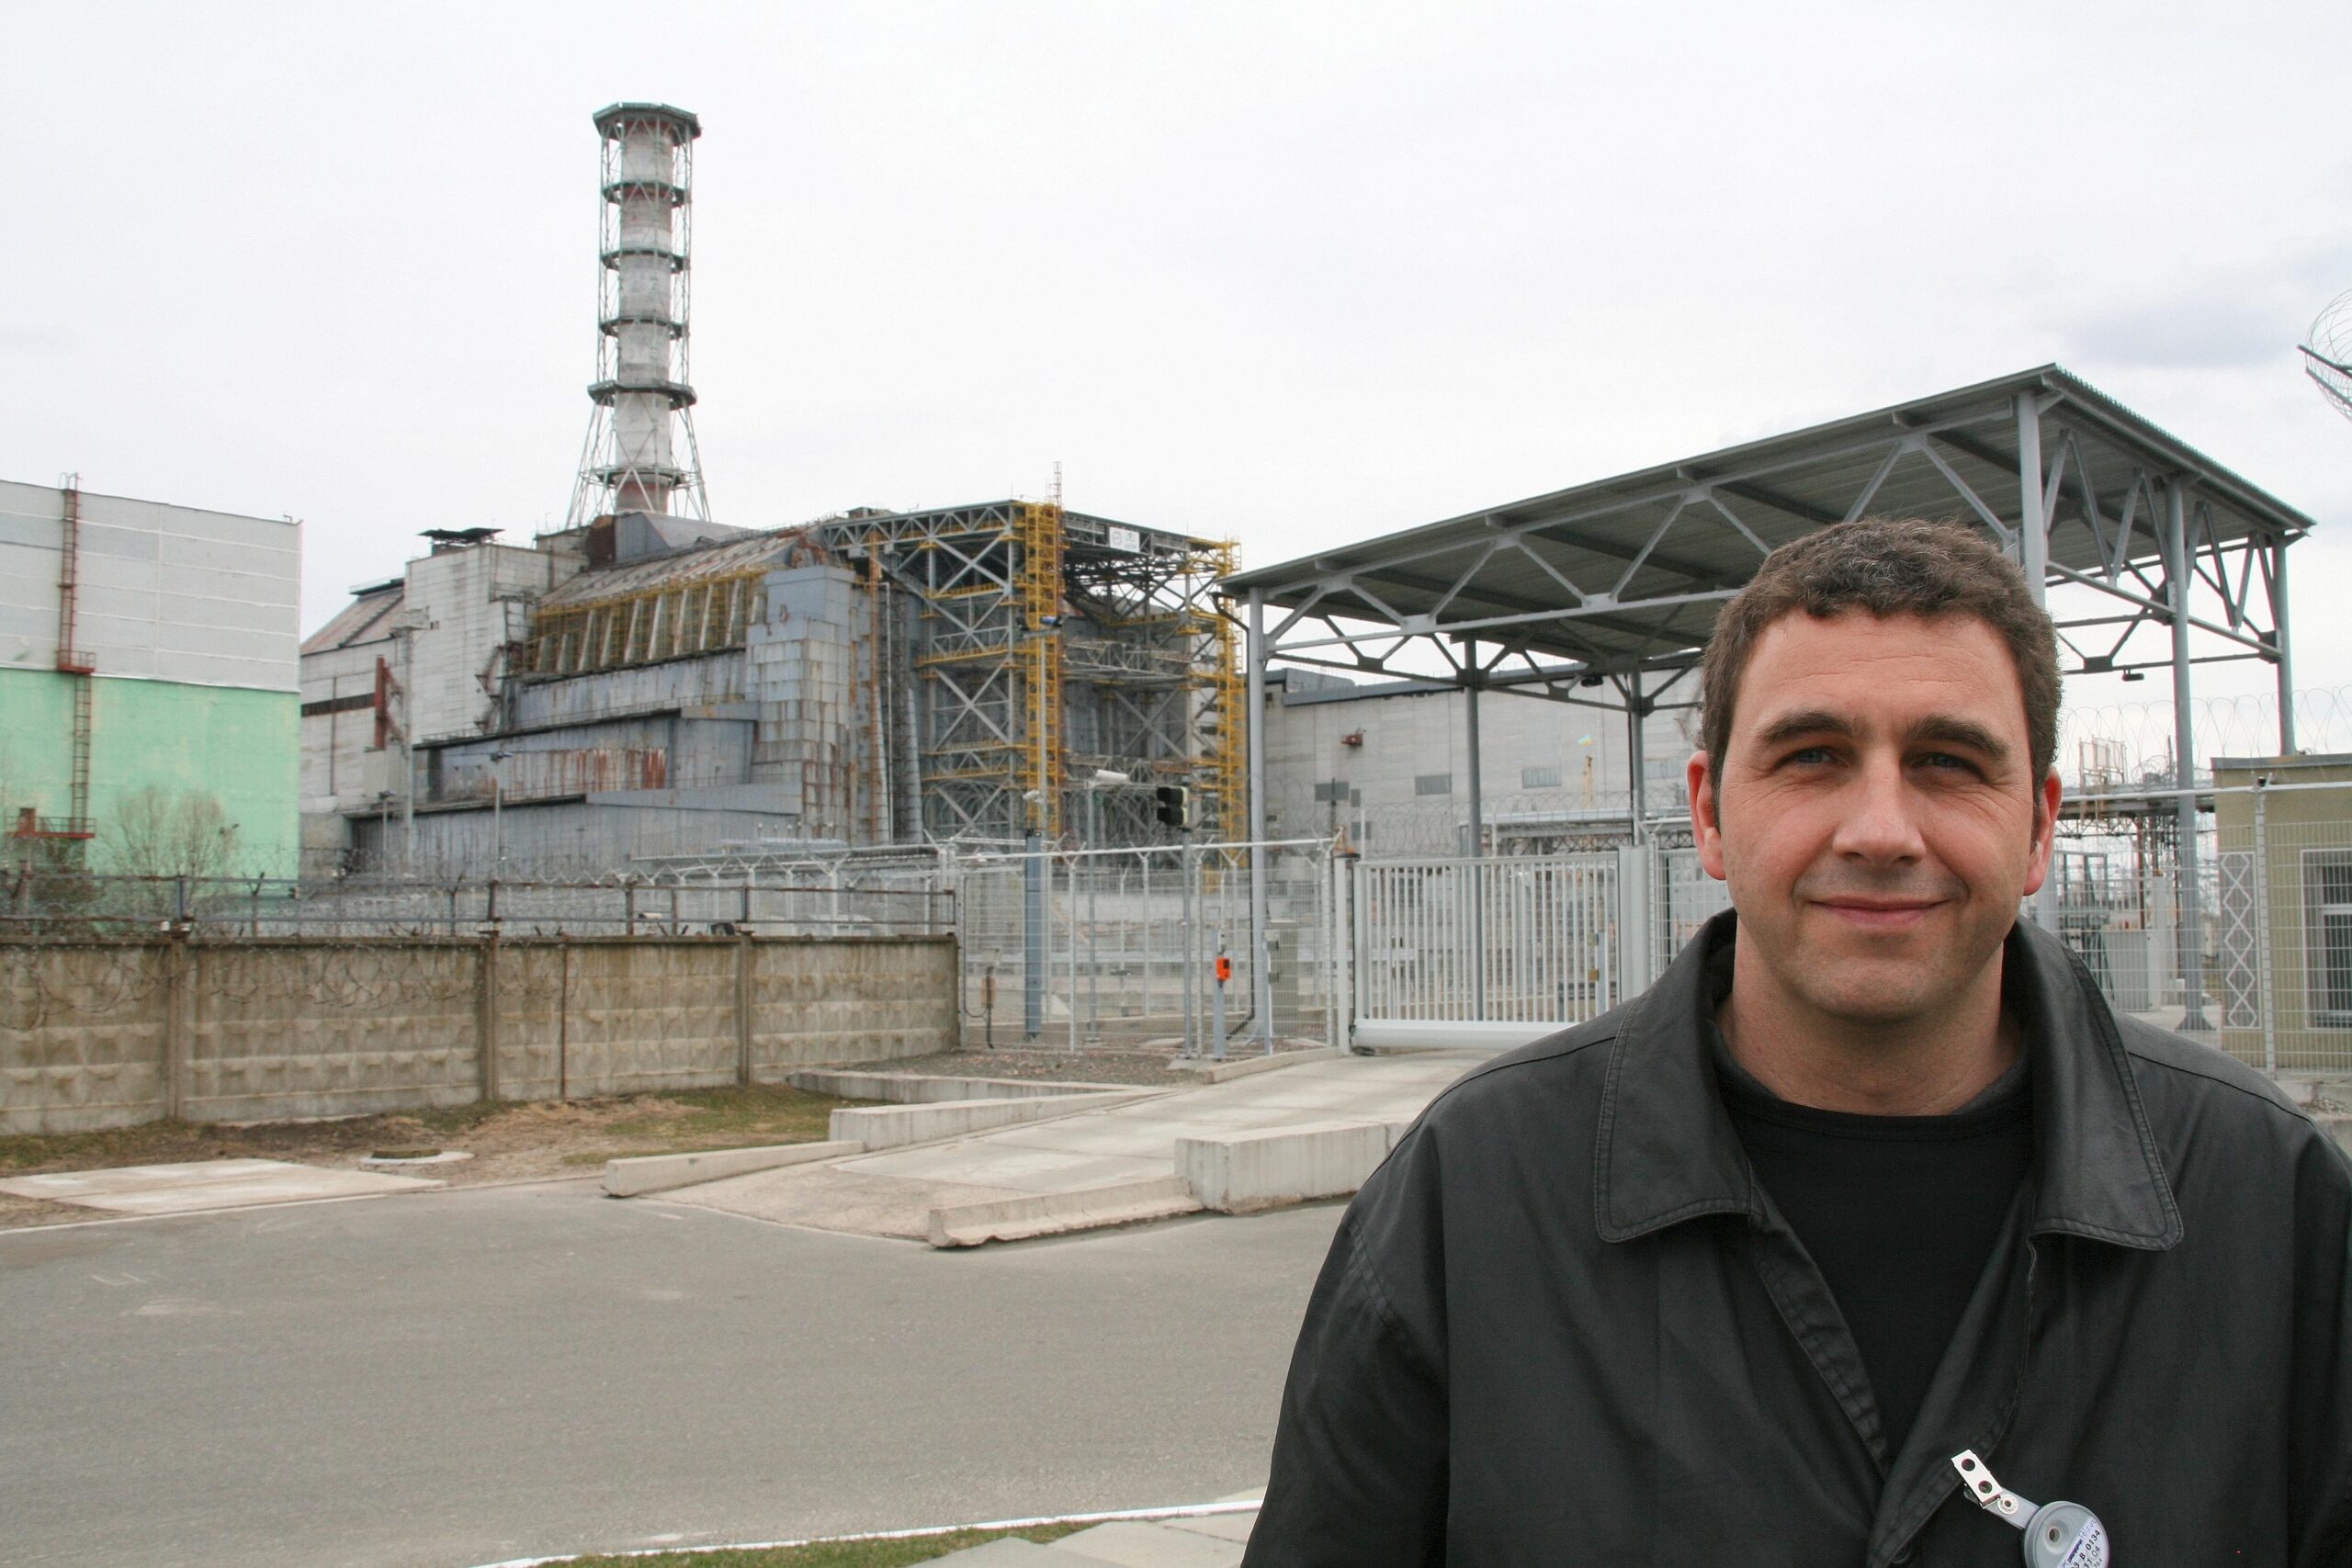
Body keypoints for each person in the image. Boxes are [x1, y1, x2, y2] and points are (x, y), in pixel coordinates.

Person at [1244, 517, 2352, 1565]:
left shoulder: (2268, 1198)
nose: (1879, 831)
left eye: (1949, 762)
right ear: (1711, 814)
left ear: (2040, 826)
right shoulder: (1471, 1196)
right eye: (1813, 756)